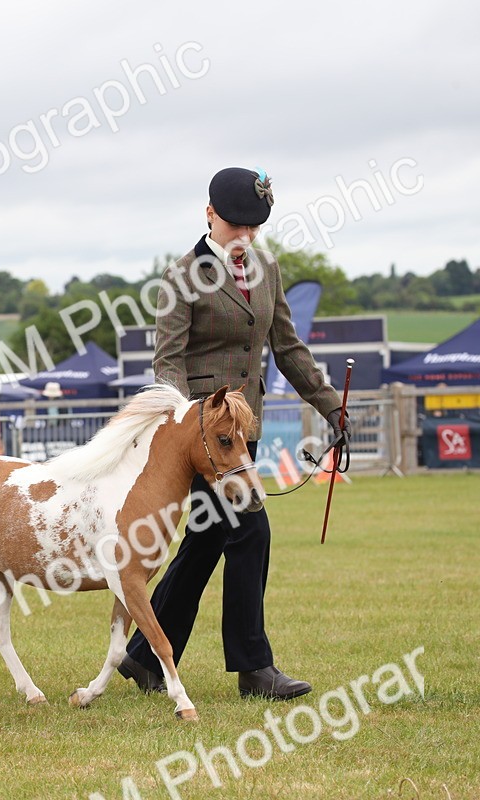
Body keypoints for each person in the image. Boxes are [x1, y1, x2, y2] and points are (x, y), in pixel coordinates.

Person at [117, 166, 348, 701]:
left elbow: (287, 348)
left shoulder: (267, 269)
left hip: (246, 433)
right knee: (250, 531)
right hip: (203, 440)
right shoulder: (182, 277)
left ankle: (144, 658)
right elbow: (168, 361)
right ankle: (254, 667)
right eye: (235, 226)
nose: (244, 238)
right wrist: (183, 420)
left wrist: (332, 405)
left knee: (205, 542)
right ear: (209, 215)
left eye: (254, 228)